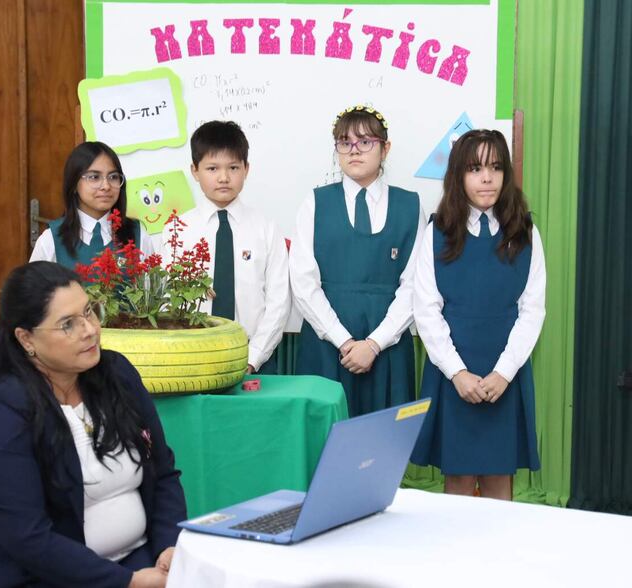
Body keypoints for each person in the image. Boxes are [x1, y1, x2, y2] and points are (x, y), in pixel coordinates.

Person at [0, 261, 187, 588]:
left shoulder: (117, 374)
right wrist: (128, 582)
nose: (89, 330)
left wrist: (169, 546)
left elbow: (164, 474)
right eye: (68, 324)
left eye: (89, 312)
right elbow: (30, 541)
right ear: (26, 339)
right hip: (39, 579)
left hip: (138, 563)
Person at [410, 129, 546, 500]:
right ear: (458, 175)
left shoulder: (525, 232)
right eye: (475, 168)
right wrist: (457, 372)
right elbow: (426, 309)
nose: (487, 178)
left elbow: (532, 309)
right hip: (454, 372)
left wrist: (504, 372)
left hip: (506, 372)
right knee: (457, 477)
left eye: (496, 167)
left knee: (500, 477)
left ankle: (500, 557)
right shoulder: (437, 231)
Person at [290, 105, 425, 416]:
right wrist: (345, 341)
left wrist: (374, 344)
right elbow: (303, 282)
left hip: (387, 346)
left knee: (384, 445)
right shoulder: (315, 202)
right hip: (327, 345)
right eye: (344, 142)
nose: (354, 151)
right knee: (323, 443)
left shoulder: (409, 206)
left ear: (385, 148)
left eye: (365, 142)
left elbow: (414, 285)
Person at [161, 120, 290, 374]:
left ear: (246, 169)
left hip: (255, 358)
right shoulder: (177, 230)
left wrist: (253, 358)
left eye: (233, 167)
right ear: (195, 171)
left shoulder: (266, 228)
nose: (223, 177)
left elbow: (279, 301)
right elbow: (167, 299)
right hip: (193, 359)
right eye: (212, 168)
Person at [30, 141, 154, 267]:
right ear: (74, 184)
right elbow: (33, 286)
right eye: (94, 177)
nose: (106, 186)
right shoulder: (51, 239)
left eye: (113, 177)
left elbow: (154, 286)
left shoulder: (138, 234)